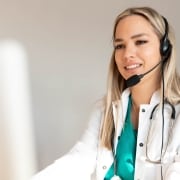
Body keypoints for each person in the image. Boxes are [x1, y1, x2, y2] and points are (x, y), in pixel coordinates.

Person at [31, 6, 180, 180]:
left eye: (140, 42)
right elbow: (79, 160)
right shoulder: (106, 110)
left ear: (165, 49)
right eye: (119, 45)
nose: (127, 54)